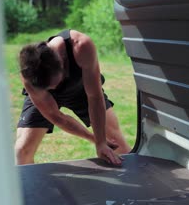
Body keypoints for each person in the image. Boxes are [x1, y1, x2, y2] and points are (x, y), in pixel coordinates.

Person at [14, 29, 131, 166]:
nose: (54, 89)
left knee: (115, 143)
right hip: (43, 94)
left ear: (62, 65)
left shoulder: (81, 46)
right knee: (21, 151)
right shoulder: (30, 73)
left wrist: (102, 142)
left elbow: (94, 96)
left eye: (54, 84)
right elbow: (57, 117)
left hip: (82, 88)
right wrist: (94, 139)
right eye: (49, 88)